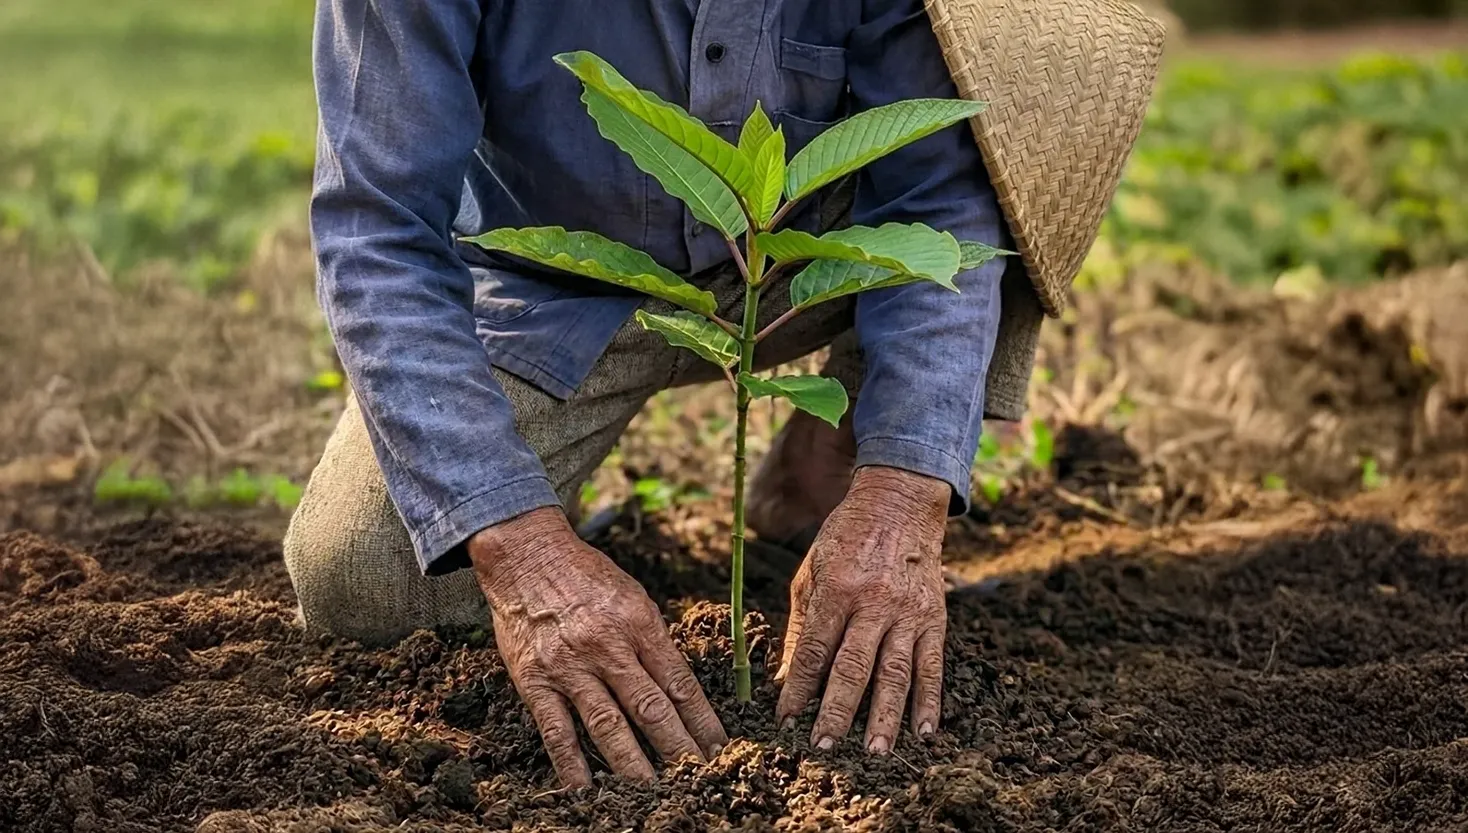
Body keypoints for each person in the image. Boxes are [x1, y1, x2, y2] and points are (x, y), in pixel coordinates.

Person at [285, 0, 1163, 789]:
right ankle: (549, 504)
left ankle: (833, 471)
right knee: (365, 578)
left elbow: (936, 194)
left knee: (1014, 150)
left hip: (799, 257)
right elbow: (378, 228)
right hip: (557, 281)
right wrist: (521, 546)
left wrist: (904, 489)